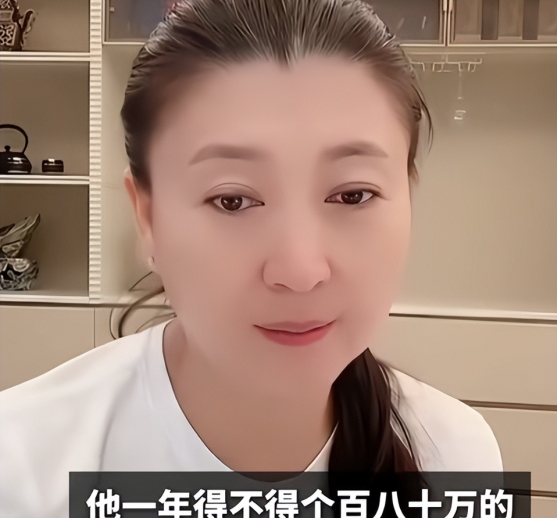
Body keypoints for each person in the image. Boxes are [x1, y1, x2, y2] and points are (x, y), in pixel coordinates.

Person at [0, 0, 503, 516]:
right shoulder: (23, 465)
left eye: (353, 195)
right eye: (233, 201)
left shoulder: (452, 456)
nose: (301, 272)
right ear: (147, 217)